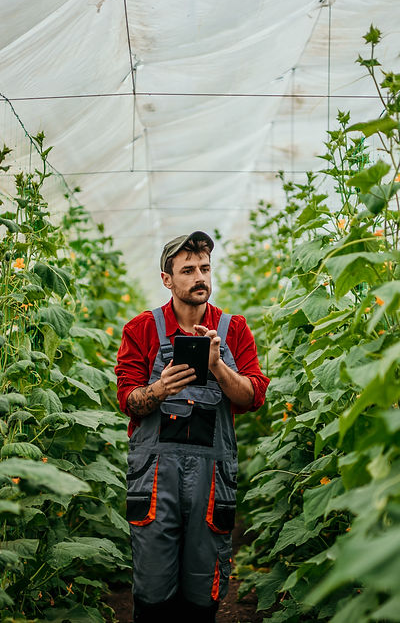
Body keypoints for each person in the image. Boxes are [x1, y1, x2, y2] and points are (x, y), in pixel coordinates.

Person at [114, 231, 269, 622]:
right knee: (152, 590)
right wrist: (160, 388)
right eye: (188, 270)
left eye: (204, 268)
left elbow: (253, 396)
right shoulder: (141, 329)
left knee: (204, 589)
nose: (200, 277)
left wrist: (217, 366)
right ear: (167, 280)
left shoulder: (233, 330)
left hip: (211, 479)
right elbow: (128, 401)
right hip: (154, 481)